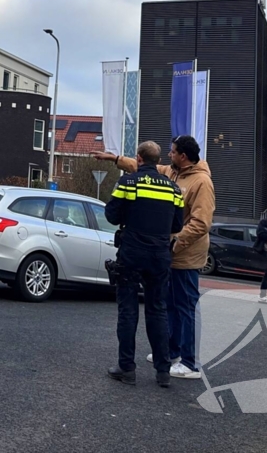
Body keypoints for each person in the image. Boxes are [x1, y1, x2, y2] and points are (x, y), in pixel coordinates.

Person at [95, 134, 214, 380]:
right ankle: (165, 363)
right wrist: (116, 159)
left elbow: (200, 224)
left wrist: (174, 243)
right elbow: (174, 218)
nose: (170, 155)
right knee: (161, 307)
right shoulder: (171, 179)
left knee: (181, 307)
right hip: (162, 254)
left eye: (173, 152)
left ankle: (186, 362)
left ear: (183, 156)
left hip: (178, 253)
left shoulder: (200, 182)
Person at [104, 141, 184, 388]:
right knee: (157, 310)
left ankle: (126, 368)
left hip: (132, 253)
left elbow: (111, 216)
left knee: (128, 310)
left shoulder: (128, 182)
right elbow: (177, 226)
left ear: (138, 159)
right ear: (157, 160)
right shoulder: (174, 189)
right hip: (160, 255)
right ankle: (163, 371)